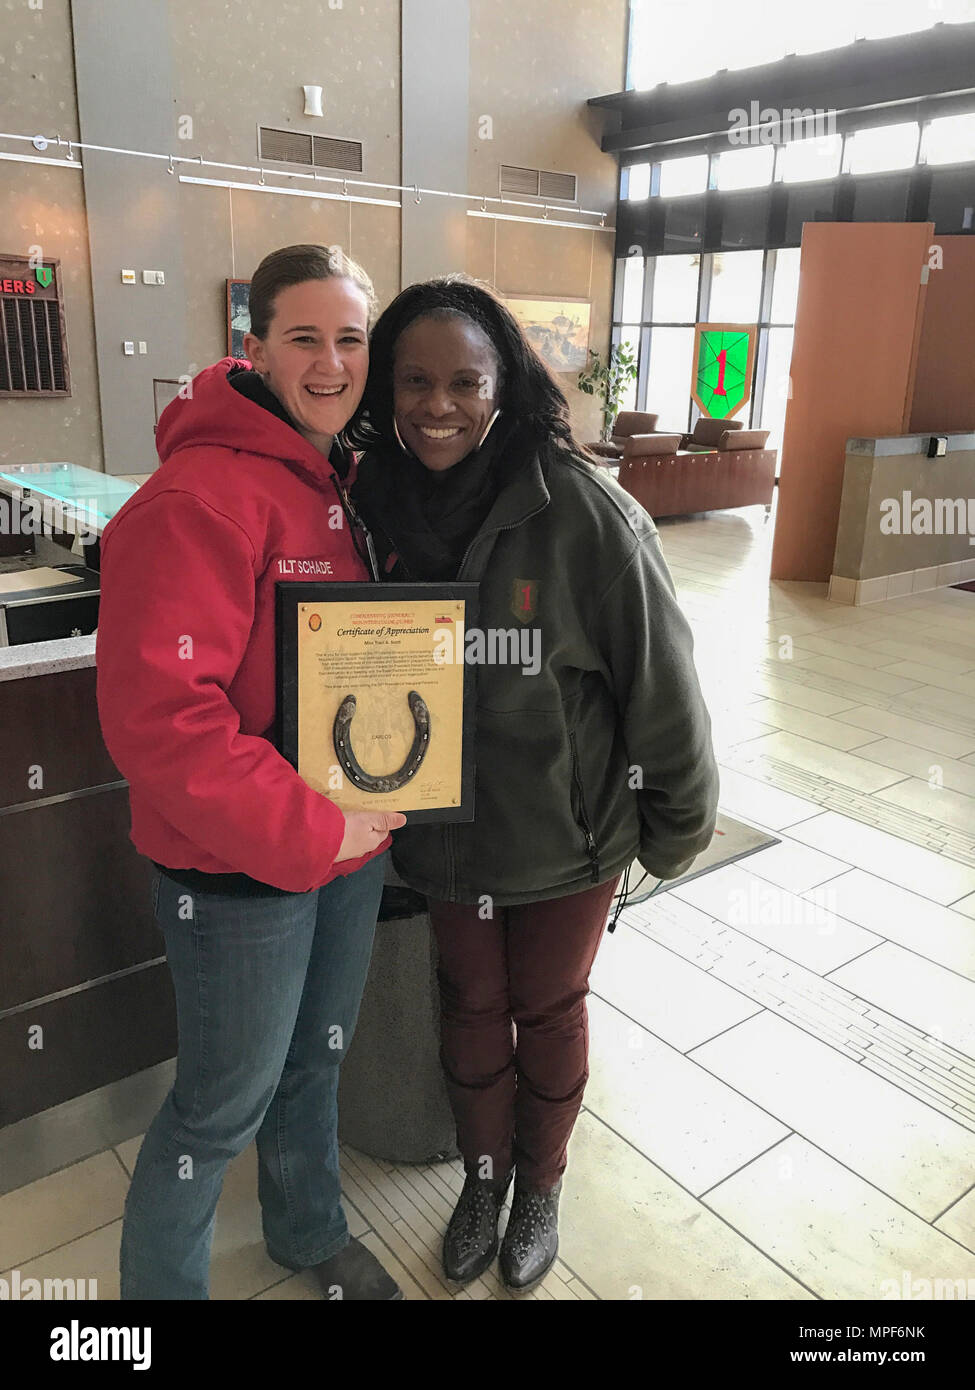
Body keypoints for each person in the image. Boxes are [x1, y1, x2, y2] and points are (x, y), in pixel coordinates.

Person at [349, 275, 720, 1292]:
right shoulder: (366, 500)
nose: (437, 404)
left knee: (548, 1010)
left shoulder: (585, 512)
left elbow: (665, 692)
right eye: (413, 380)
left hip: (566, 840)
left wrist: (674, 832)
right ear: (384, 387)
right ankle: (483, 1176)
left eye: (463, 381)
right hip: (439, 831)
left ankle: (540, 1182)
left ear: (503, 384)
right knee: (469, 1007)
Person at [95, 244, 405, 1301]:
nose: (330, 362)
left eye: (350, 338)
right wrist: (319, 828)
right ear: (254, 345)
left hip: (347, 843)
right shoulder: (198, 497)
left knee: (316, 1057)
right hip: (239, 871)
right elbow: (162, 722)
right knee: (219, 1104)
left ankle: (308, 1231)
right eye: (304, 338)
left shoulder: (341, 480)